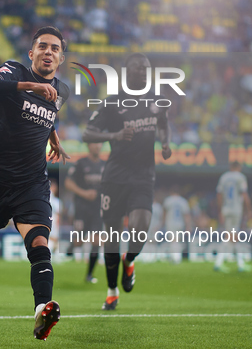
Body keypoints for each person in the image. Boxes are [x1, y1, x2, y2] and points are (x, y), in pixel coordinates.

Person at [0, 26, 70, 340]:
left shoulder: (62, 91)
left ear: (61, 58)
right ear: (31, 53)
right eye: (42, 47)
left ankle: (41, 311)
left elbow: (49, 113)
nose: (48, 52)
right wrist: (29, 87)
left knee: (39, 243)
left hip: (31, 181)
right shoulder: (14, 70)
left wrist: (53, 136)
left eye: (54, 49)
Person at [82, 53, 173, 311]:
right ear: (126, 72)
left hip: (144, 175)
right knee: (111, 236)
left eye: (146, 68)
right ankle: (112, 291)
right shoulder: (112, 103)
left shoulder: (157, 100)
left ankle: (130, 259)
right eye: (138, 68)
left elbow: (164, 123)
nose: (143, 72)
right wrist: (115, 134)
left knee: (140, 227)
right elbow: (87, 134)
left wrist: (165, 142)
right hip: (115, 177)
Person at [64, 142, 105, 282]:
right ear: (89, 146)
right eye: (95, 144)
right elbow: (68, 183)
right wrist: (84, 193)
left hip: (98, 209)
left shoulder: (105, 166)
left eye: (99, 144)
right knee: (79, 241)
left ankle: (89, 275)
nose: (97, 146)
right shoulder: (81, 163)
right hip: (82, 208)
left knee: (97, 240)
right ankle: (71, 246)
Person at [215, 161, 252, 273]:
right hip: (236, 210)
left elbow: (219, 194)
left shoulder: (224, 177)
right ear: (239, 167)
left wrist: (220, 210)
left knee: (233, 237)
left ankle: (239, 263)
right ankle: (219, 262)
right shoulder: (240, 177)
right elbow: (244, 194)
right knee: (230, 237)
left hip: (226, 209)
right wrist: (249, 210)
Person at [161, 186, 191, 264]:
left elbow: (164, 213)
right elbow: (186, 215)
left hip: (170, 222)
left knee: (172, 240)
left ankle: (175, 257)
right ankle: (176, 257)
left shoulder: (168, 200)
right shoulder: (183, 201)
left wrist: (163, 222)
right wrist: (188, 226)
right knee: (178, 240)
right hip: (180, 223)